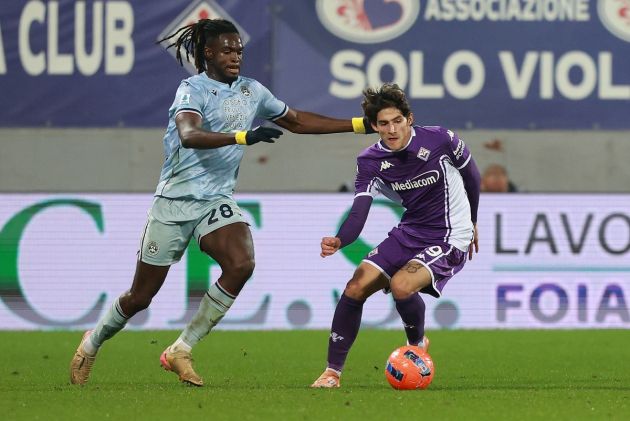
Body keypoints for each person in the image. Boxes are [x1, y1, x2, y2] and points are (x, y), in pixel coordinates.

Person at [69, 18, 374, 387]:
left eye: (239, 51)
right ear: (208, 53)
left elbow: (296, 121)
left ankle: (181, 348)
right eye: (227, 50)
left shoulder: (252, 90)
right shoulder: (191, 89)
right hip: (174, 202)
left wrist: (360, 124)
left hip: (215, 199)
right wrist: (243, 136)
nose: (235, 57)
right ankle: (93, 341)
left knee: (241, 263)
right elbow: (189, 134)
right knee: (141, 297)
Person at [310, 83, 481, 388]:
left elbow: (472, 175)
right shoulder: (369, 161)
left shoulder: (440, 139)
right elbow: (359, 212)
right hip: (410, 231)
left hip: (450, 235)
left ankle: (416, 346)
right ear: (374, 126)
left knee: (402, 285)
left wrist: (473, 221)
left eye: (397, 121)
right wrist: (340, 240)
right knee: (355, 287)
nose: (392, 129)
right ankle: (332, 373)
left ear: (409, 119)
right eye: (384, 123)